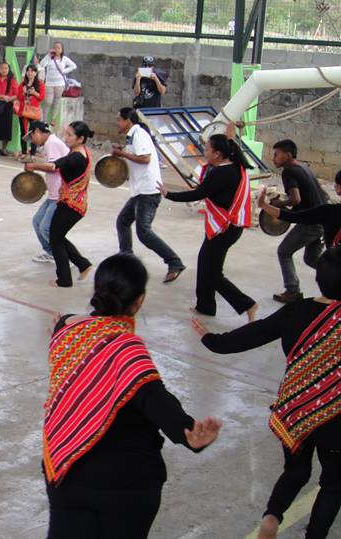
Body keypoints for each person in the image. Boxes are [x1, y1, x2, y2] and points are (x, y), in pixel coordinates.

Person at [44, 254, 221, 537]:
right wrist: (187, 431)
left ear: (97, 291)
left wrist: (60, 326)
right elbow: (153, 398)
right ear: (139, 300)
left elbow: (64, 328)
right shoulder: (128, 349)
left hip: (67, 467)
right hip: (127, 481)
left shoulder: (67, 327)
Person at [194, 247, 341, 539]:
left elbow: (247, 337)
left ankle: (272, 518)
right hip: (334, 417)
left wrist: (210, 338)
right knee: (335, 483)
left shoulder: (296, 310)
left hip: (294, 411)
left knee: (295, 472)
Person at [163, 127, 258, 320]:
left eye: (207, 149)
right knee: (205, 264)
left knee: (212, 273)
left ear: (217, 153)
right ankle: (205, 306)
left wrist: (169, 194)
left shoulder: (221, 173)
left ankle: (247, 304)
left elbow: (198, 194)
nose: (204, 152)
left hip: (225, 228)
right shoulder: (234, 166)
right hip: (227, 227)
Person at [112, 108, 185, 283]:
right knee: (122, 222)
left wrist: (121, 154)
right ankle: (126, 259)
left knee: (143, 231)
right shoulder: (133, 136)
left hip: (148, 191)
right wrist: (124, 151)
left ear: (128, 120)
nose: (117, 123)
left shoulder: (139, 134)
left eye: (119, 119)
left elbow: (145, 158)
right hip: (139, 191)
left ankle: (174, 262)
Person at [25, 121, 94, 287]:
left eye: (70, 135)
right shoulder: (79, 151)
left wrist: (34, 166)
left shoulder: (77, 157)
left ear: (81, 138)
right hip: (70, 203)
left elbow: (55, 165)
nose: (66, 138)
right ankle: (83, 264)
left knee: (55, 238)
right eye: (66, 133)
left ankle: (64, 279)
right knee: (56, 236)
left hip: (71, 205)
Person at [266, 139, 328, 303]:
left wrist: (279, 204)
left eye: (276, 154)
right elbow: (322, 194)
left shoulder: (289, 171)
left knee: (284, 251)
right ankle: (335, 277)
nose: (273, 158)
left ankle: (293, 291)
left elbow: (296, 199)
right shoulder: (303, 167)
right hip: (323, 219)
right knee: (312, 259)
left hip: (311, 223)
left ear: (287, 155)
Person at [260, 170, 341, 252]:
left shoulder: (329, 211)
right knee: (311, 260)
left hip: (334, 262)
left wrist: (263, 205)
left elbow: (293, 217)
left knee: (283, 252)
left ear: (338, 188)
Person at [26, 121, 69, 265]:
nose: (32, 141)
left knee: (46, 227)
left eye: (32, 137)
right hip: (52, 194)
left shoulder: (52, 143)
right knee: (37, 222)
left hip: (60, 194)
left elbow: (55, 167)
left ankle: (66, 255)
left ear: (37, 131)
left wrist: (34, 166)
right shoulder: (49, 144)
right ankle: (51, 252)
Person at [36, 42, 76, 127]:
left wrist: (64, 71)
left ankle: (53, 118)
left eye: (58, 48)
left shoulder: (64, 59)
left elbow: (73, 66)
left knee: (57, 100)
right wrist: (47, 55)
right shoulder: (49, 58)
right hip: (49, 83)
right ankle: (44, 119)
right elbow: (41, 65)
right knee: (48, 101)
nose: (56, 49)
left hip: (60, 83)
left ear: (62, 50)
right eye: (55, 47)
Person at [16, 64, 45, 158]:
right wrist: (24, 92)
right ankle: (24, 152)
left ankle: (32, 153)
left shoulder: (40, 84)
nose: (30, 73)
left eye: (32, 71)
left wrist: (34, 93)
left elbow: (41, 97)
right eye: (28, 71)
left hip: (33, 111)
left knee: (33, 132)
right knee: (23, 132)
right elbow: (19, 97)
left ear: (36, 73)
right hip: (23, 110)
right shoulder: (22, 84)